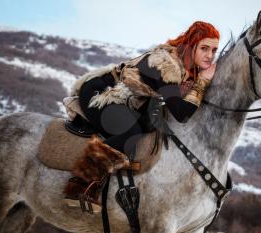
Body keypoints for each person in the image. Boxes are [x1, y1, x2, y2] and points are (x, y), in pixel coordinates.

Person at [63, 21, 220, 211]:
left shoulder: (188, 68)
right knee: (132, 130)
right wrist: (202, 82)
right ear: (190, 44)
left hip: (131, 102)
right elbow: (181, 113)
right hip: (102, 93)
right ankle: (79, 185)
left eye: (214, 50)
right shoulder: (166, 64)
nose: (209, 55)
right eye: (204, 48)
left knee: (149, 125)